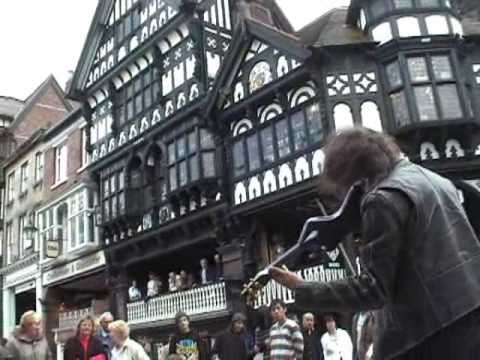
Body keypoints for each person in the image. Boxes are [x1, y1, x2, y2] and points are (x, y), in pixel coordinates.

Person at [270, 128, 480, 359]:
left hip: (428, 331)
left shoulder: (381, 199)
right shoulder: (436, 180)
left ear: (353, 172)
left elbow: (372, 289)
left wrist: (303, 287)